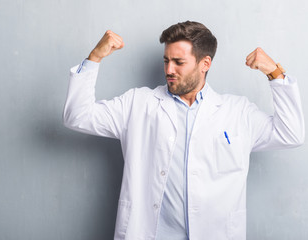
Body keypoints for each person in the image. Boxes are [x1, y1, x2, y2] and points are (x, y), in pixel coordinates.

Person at [63, 21, 305, 240]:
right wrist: (94, 58)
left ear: (205, 63)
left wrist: (275, 73)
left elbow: (291, 133)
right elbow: (78, 116)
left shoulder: (237, 112)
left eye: (179, 62)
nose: (169, 70)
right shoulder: (138, 104)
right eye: (166, 61)